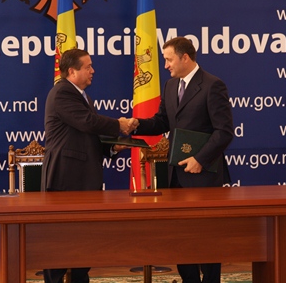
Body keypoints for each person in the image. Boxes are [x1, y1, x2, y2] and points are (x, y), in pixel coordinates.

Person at [129, 37, 234, 283]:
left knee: (206, 240)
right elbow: (163, 122)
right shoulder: (169, 85)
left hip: (204, 177)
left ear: (185, 57)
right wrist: (136, 125)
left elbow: (224, 132)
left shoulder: (212, 85)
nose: (165, 65)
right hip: (175, 177)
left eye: (168, 59)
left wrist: (200, 158)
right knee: (181, 238)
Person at [41, 48, 134, 283]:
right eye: (88, 66)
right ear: (72, 71)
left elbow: (86, 135)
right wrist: (119, 125)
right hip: (65, 180)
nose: (93, 70)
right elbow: (87, 122)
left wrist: (112, 148)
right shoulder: (62, 92)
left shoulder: (81, 95)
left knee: (83, 241)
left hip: (82, 181)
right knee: (62, 243)